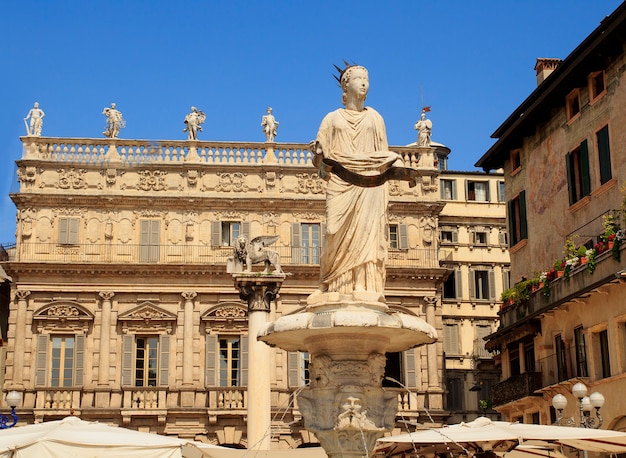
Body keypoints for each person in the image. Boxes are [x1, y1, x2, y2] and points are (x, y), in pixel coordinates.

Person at [310, 65, 403, 303]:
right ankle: (333, 283)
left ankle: (364, 285)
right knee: (333, 231)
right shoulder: (331, 119)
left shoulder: (375, 118)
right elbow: (320, 168)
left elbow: (383, 154)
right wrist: (319, 154)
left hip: (370, 183)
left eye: (366, 79)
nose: (364, 83)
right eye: (359, 78)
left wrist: (397, 163)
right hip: (341, 183)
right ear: (345, 85)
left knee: (368, 235)